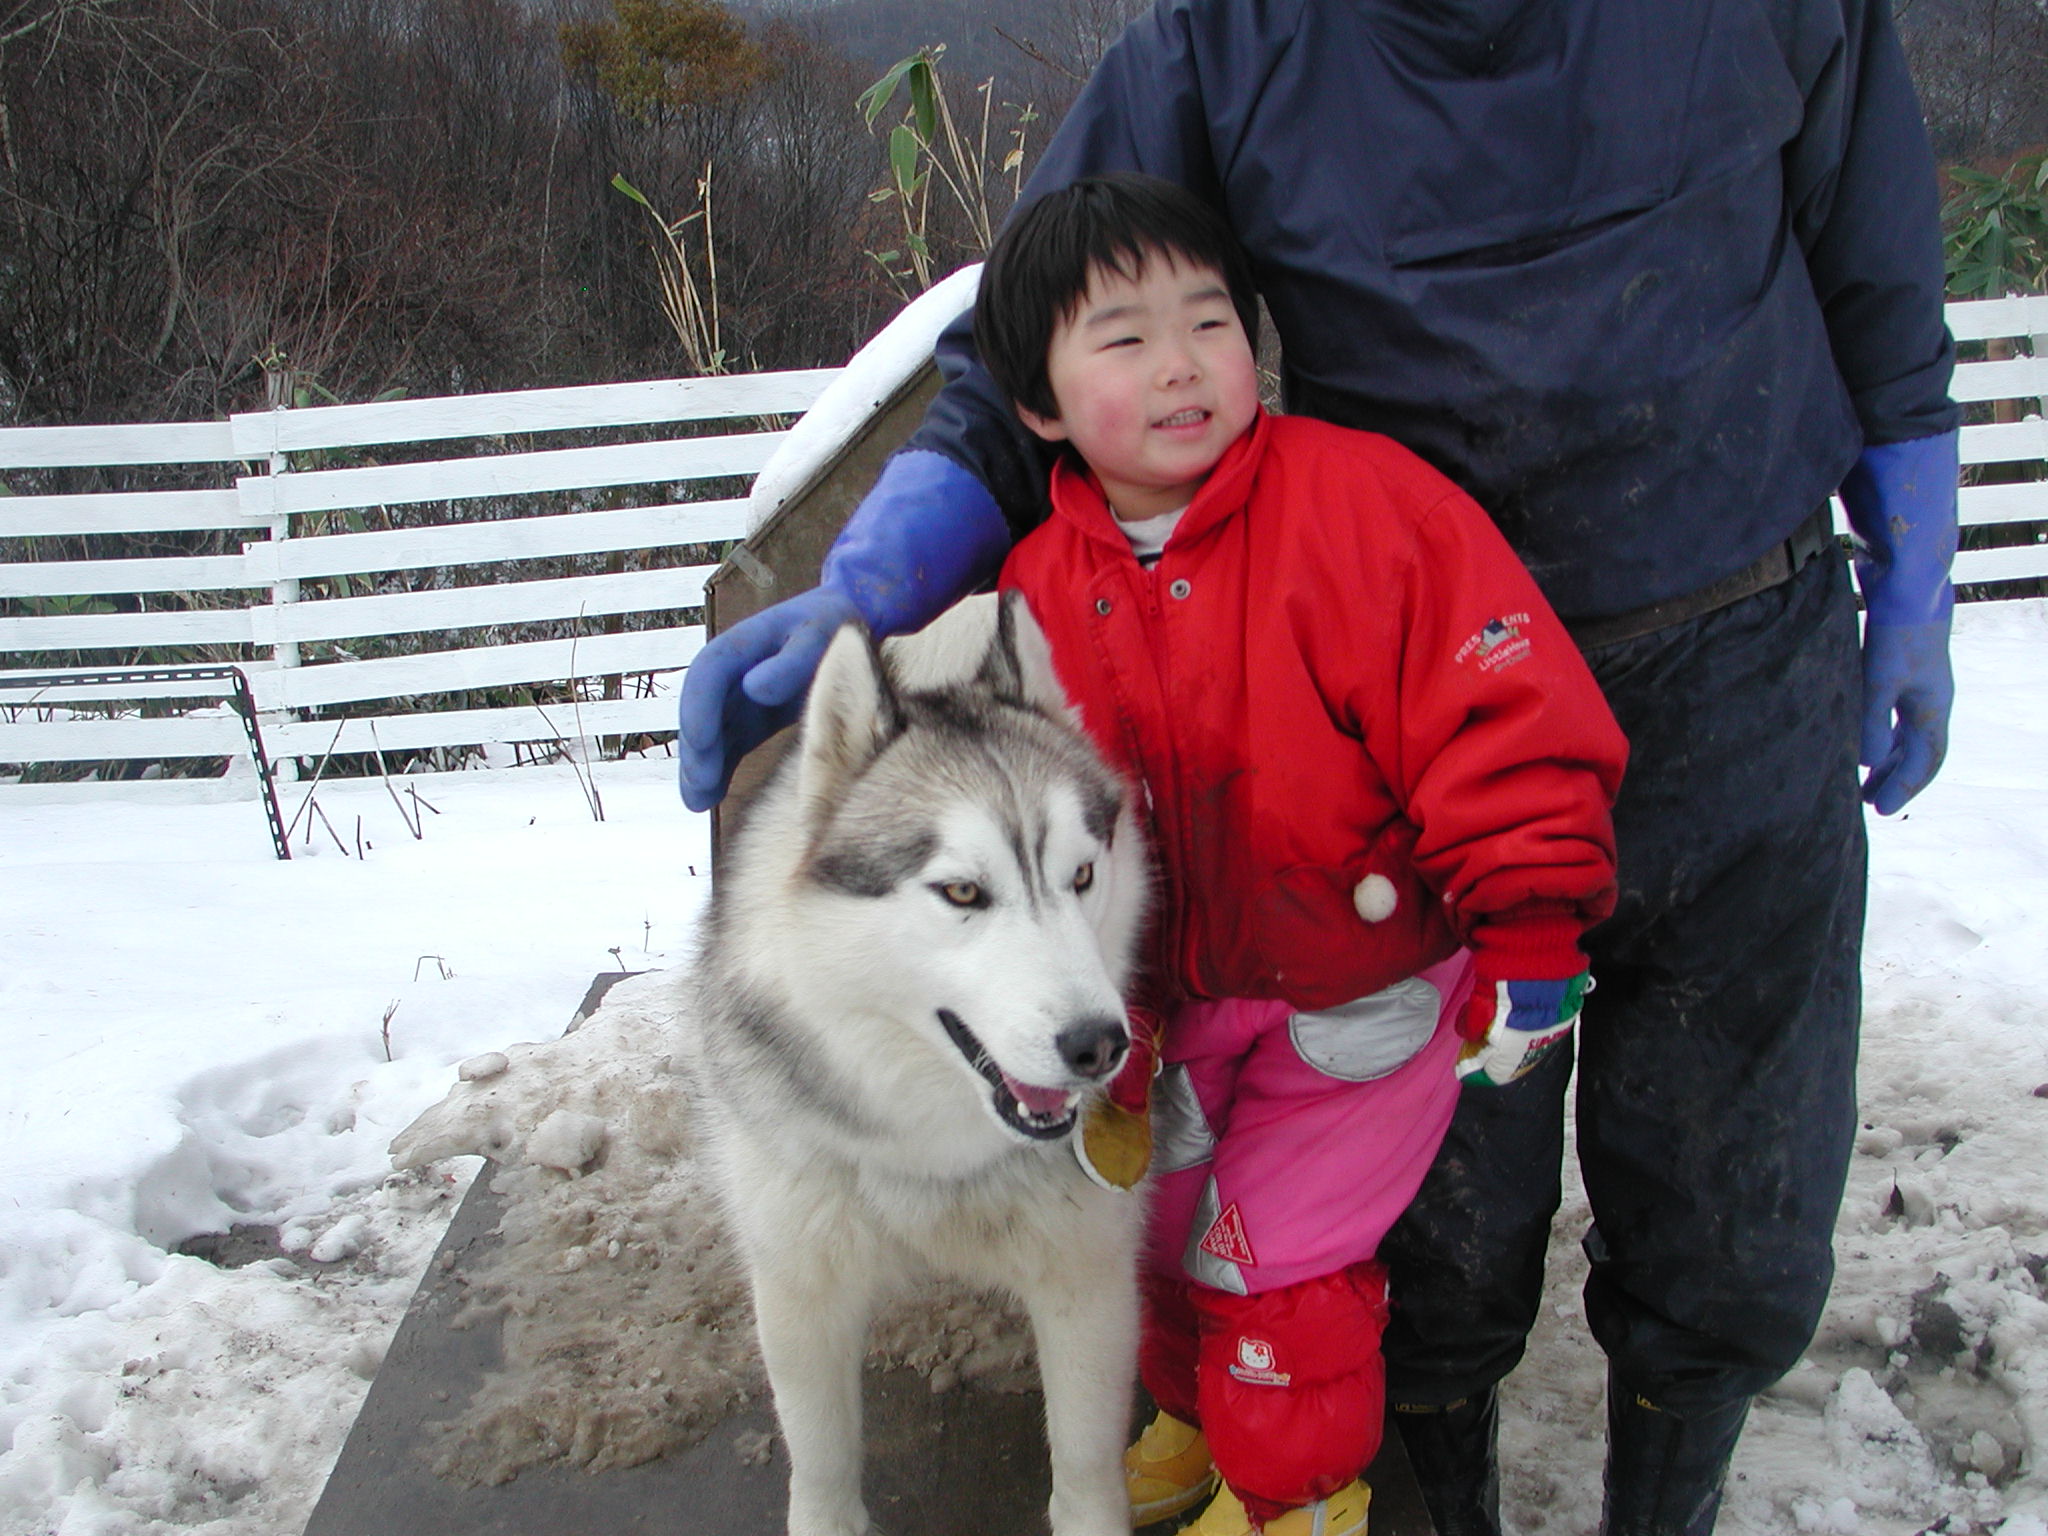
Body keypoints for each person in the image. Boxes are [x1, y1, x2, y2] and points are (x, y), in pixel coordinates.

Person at [677, 3, 1961, 1532]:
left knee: (1732, 1200)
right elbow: (1038, 335)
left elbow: (1878, 267)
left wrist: (1919, 547)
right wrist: (874, 582)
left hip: (1733, 641)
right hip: (1373, 707)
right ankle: (1418, 1484)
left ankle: (1672, 1495)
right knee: (1427, 1229)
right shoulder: (1231, 40)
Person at [968, 172, 1625, 1536]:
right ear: (1037, 401)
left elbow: (1495, 710)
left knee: (1273, 1259)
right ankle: (1200, 1419)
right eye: (1125, 337)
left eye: (1210, 324)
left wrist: (1532, 929)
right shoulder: (1036, 588)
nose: (1181, 367)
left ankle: (1295, 1497)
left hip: (1362, 992)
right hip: (1169, 1007)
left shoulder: (1362, 508)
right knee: (1150, 1223)